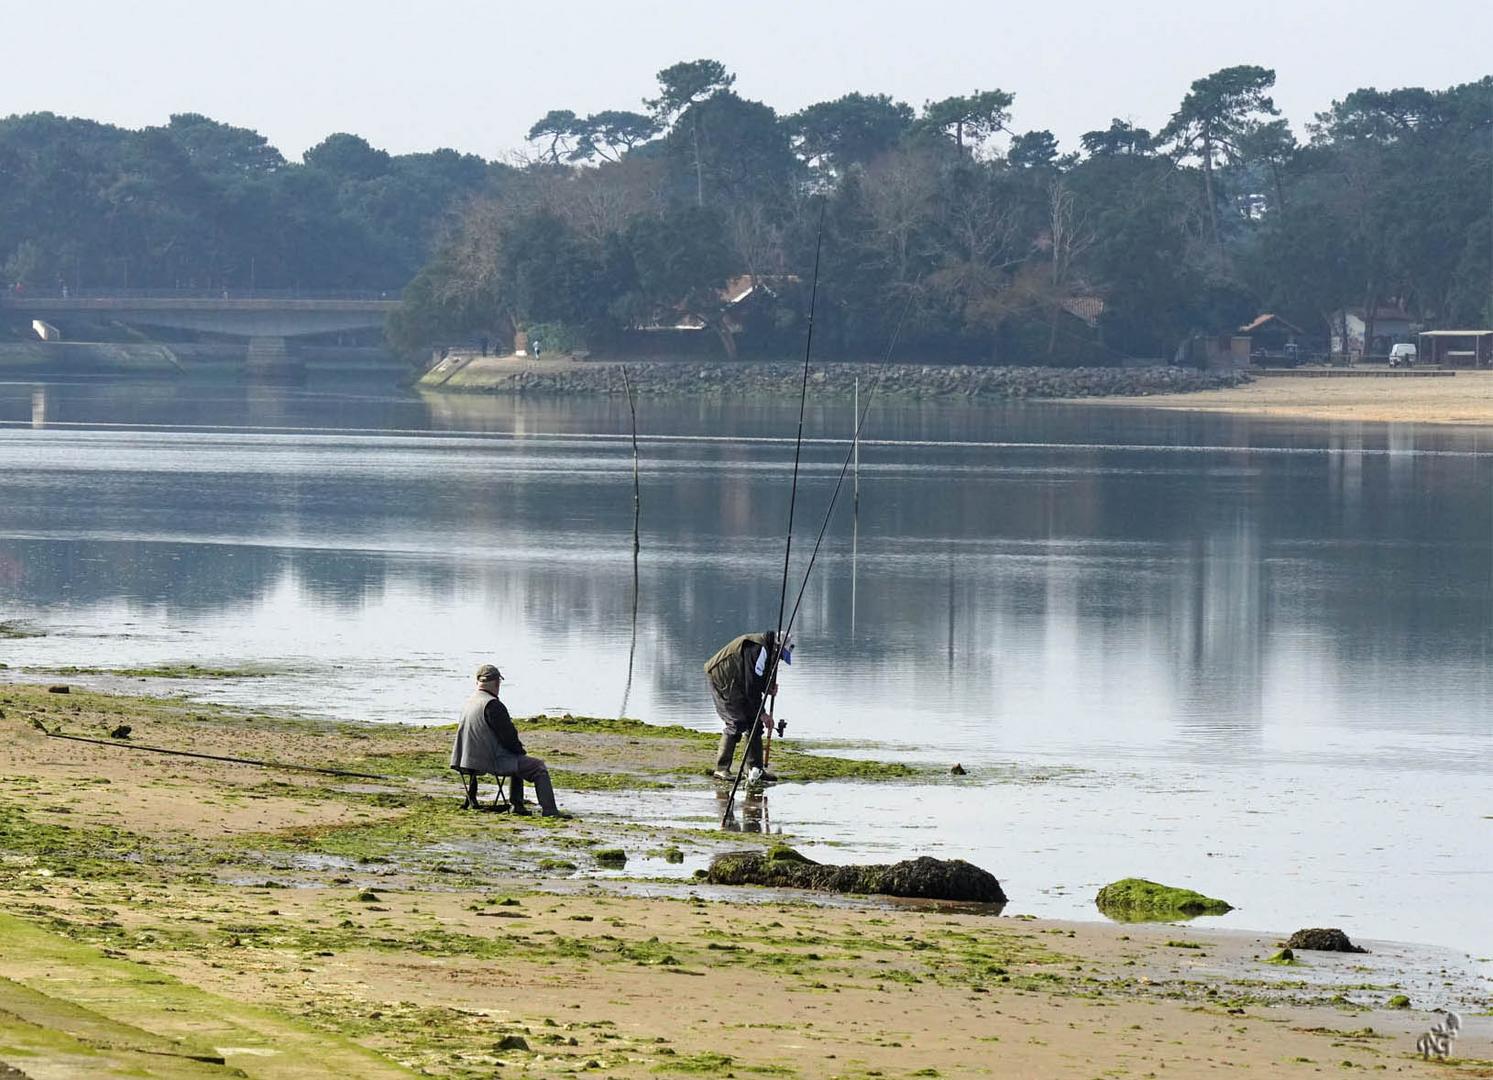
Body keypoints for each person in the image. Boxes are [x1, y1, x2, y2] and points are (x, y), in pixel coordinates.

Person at [450, 663, 565, 816]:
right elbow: (509, 738)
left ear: (478, 682)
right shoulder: (493, 705)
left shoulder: (469, 702)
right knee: (538, 767)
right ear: (497, 683)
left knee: (517, 759)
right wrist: (520, 751)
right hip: (491, 762)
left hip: (466, 761)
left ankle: (517, 806)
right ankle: (550, 811)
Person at [702, 630, 792, 783]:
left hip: (739, 681)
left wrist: (767, 687)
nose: (780, 659)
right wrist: (763, 713)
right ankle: (721, 769)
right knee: (736, 723)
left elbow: (755, 680)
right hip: (722, 678)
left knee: (754, 723)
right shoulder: (758, 649)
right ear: (777, 648)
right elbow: (751, 686)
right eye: (781, 655)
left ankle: (754, 769)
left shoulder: (767, 651)